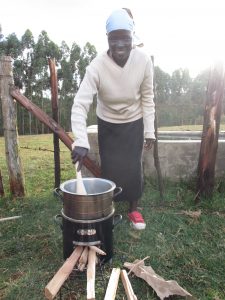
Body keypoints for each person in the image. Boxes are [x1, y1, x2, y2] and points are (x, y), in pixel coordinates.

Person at [71, 8, 155, 230]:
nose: (119, 45)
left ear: (132, 39)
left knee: (133, 167)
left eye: (124, 38)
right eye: (114, 39)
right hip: (107, 122)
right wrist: (80, 140)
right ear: (107, 39)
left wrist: (149, 131)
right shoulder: (97, 66)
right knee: (111, 167)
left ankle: (134, 210)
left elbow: (148, 98)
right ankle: (109, 209)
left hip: (134, 120)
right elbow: (80, 104)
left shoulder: (143, 60)